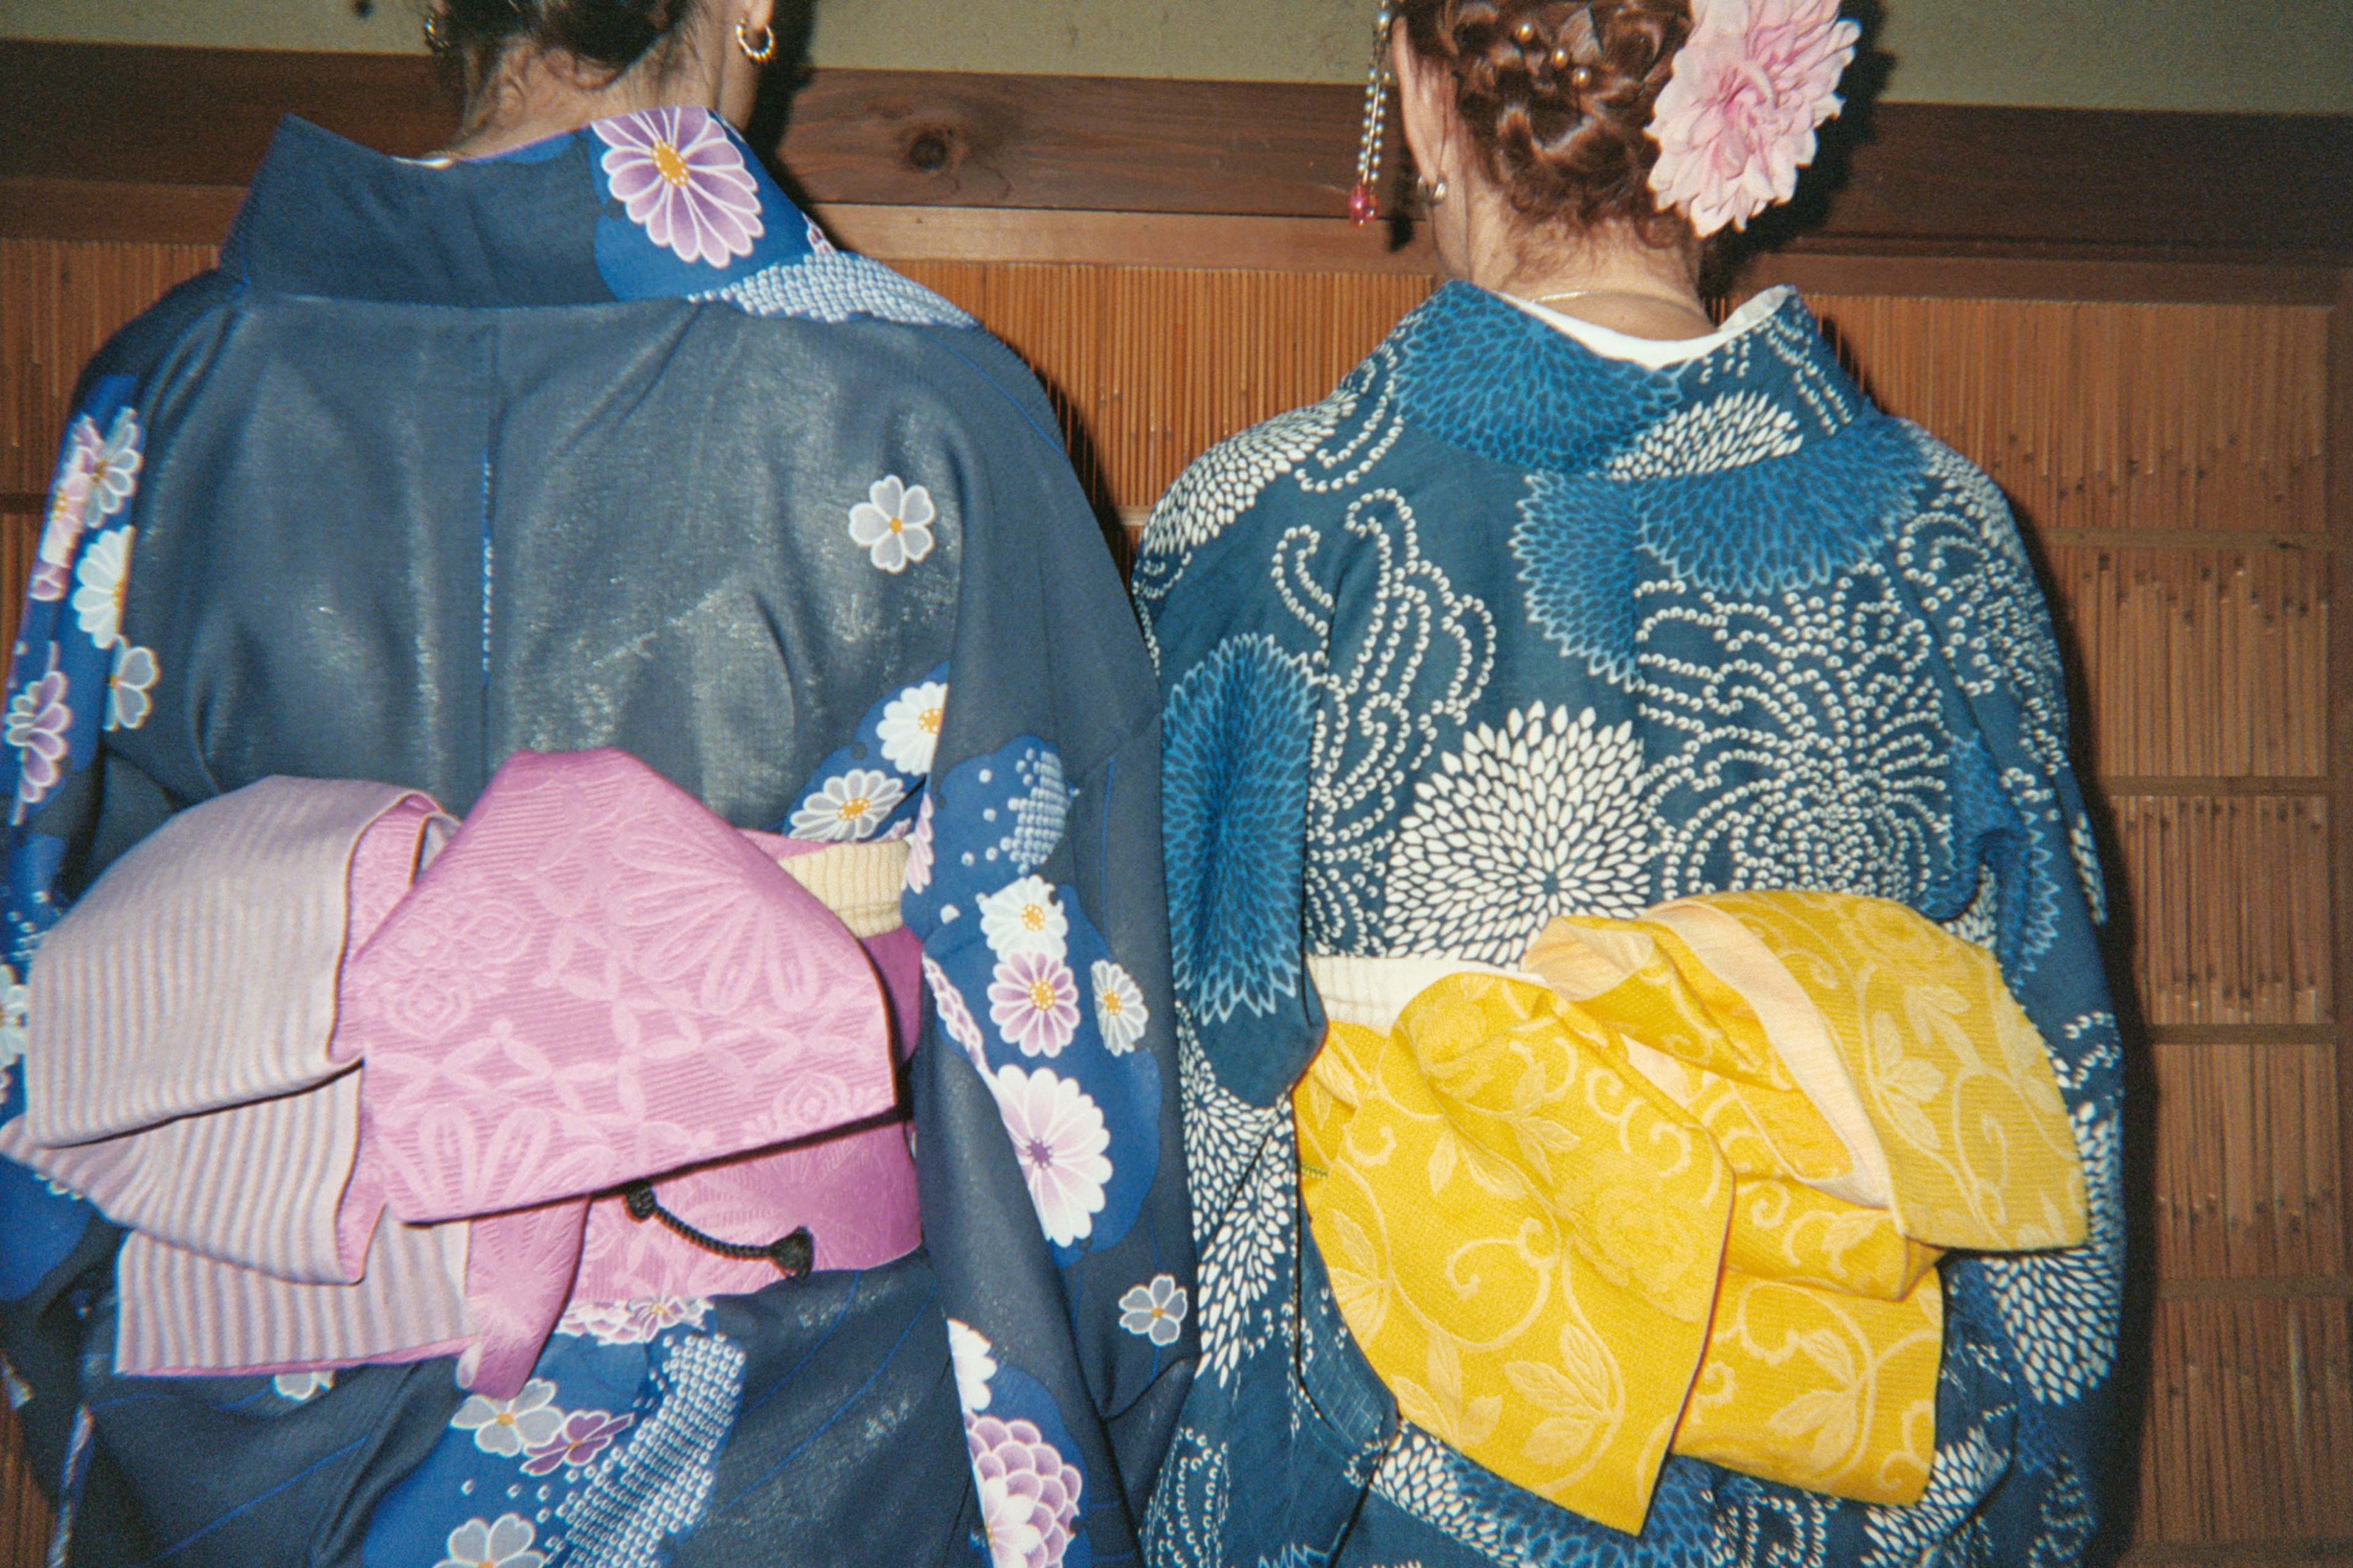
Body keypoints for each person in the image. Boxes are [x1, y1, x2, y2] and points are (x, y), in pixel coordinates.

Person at [0, 2, 1189, 1564]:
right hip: (797, 1441)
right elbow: (1070, 1062)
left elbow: (41, 987)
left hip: (241, 1406)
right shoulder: (925, 403)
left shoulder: (161, 396)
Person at [1136, 0, 2124, 1564]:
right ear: (1744, 104)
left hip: (1424, 1475)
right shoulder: (1950, 533)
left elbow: (1197, 1094)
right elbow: (2057, 1065)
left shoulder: (1270, 528)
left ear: (1414, 87)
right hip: (1860, 1470)